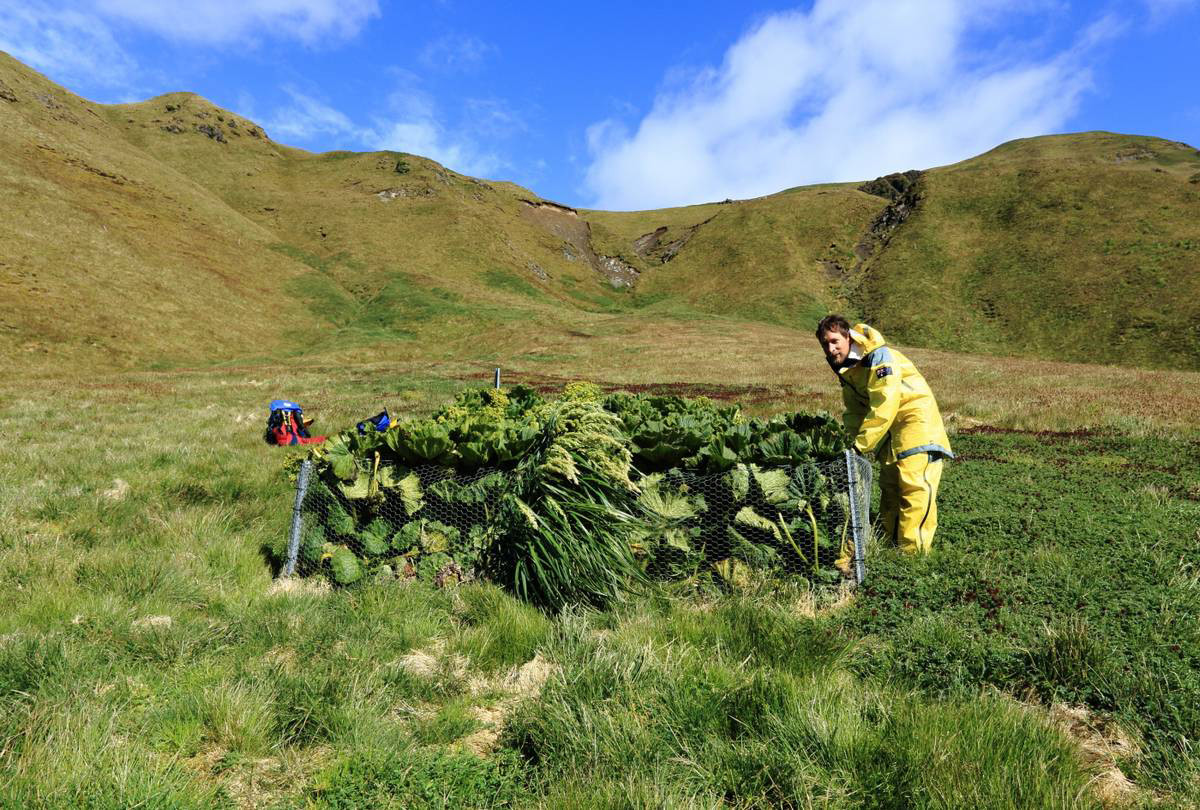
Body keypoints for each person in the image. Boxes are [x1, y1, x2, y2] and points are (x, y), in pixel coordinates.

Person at [816, 315, 953, 566]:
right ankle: (889, 550)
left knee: (914, 487)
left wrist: (861, 445)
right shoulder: (848, 369)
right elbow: (854, 411)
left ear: (848, 337)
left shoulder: (879, 358)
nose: (830, 348)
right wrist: (849, 445)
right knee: (889, 488)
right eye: (825, 344)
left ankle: (913, 557)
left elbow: (885, 403)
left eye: (834, 341)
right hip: (890, 433)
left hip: (916, 424)